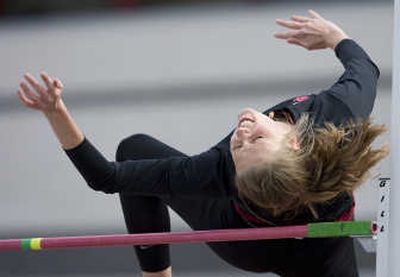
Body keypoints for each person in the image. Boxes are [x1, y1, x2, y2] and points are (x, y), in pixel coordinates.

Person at [17, 10, 388, 277]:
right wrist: (335, 36)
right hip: (252, 242)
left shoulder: (220, 166)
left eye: (244, 145)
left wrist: (55, 112)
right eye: (249, 141)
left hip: (318, 250)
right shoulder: (337, 117)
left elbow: (103, 177)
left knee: (136, 156)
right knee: (135, 149)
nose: (241, 134)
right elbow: (364, 69)